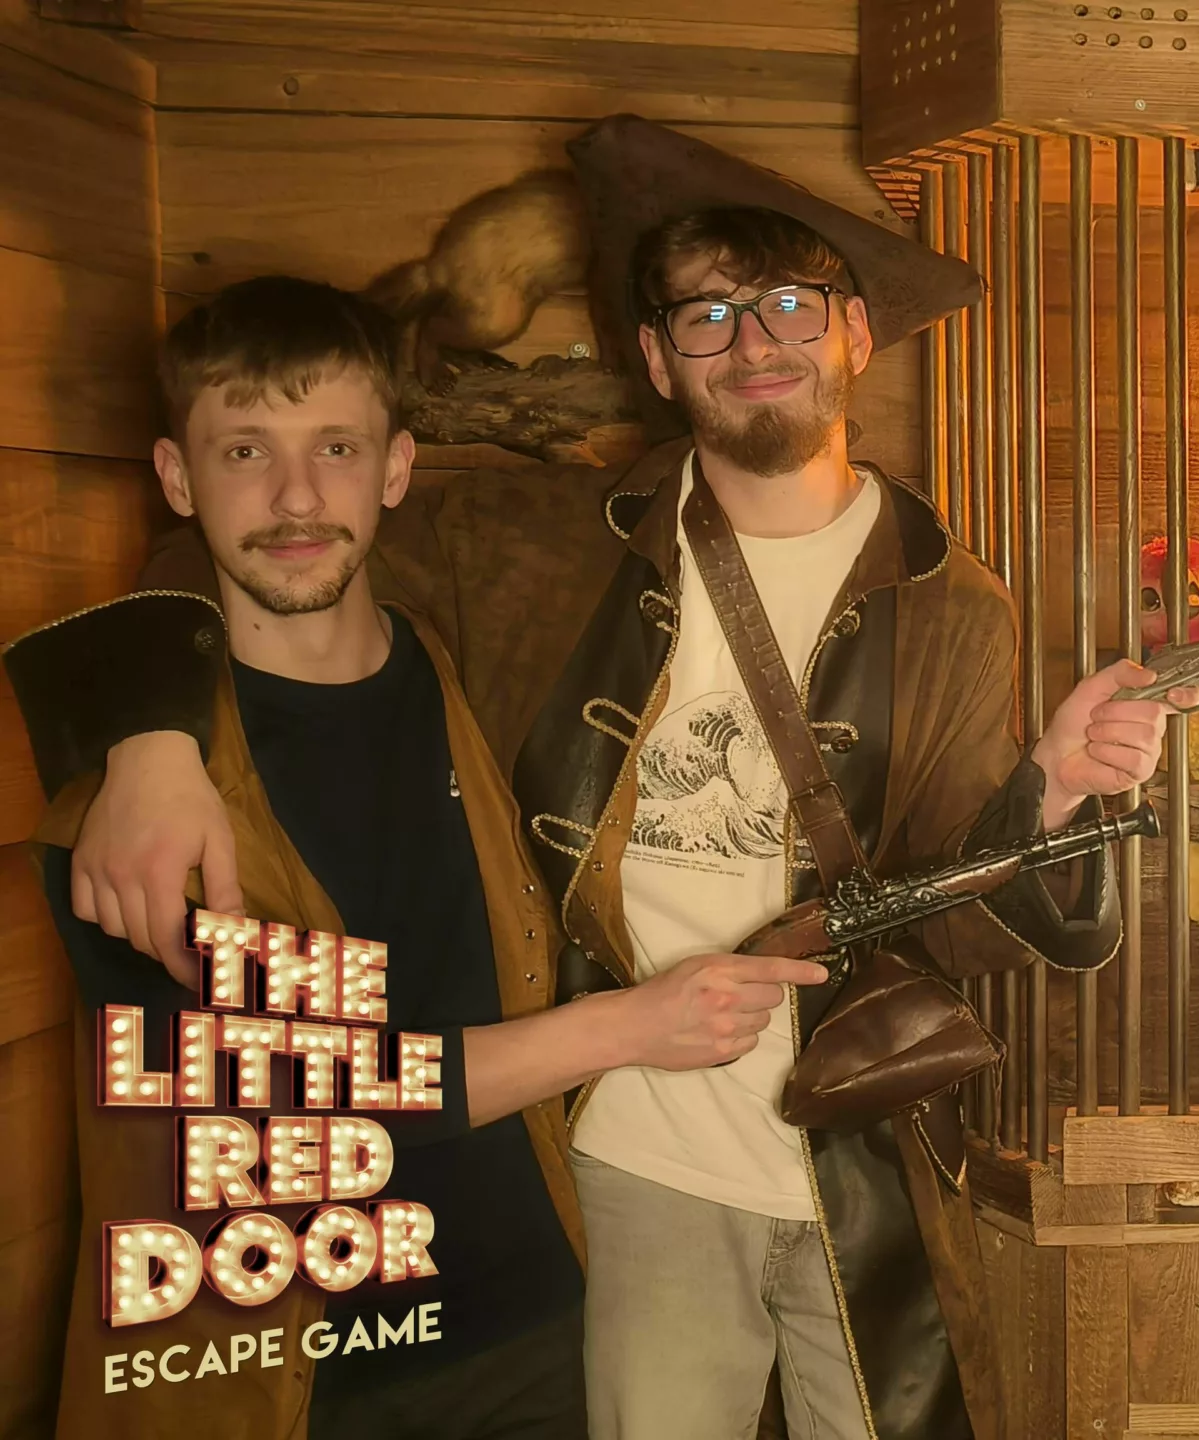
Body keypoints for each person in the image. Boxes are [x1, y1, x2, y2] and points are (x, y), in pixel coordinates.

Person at [17, 116, 1191, 1440]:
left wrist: (1049, 792)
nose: (755, 344)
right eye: (708, 315)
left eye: (791, 304)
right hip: (618, 1160)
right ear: (655, 356)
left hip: (860, 1150)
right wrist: (152, 735)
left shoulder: (954, 603)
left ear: (856, 334)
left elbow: (955, 928)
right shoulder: (530, 542)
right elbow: (262, 543)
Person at [7, 276, 820, 1438]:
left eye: (335, 448)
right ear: (178, 480)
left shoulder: (468, 670)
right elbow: (286, 1106)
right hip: (275, 1377)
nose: (296, 497)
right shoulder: (126, 805)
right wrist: (630, 1027)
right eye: (245, 451)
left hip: (533, 1330)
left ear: (395, 469)